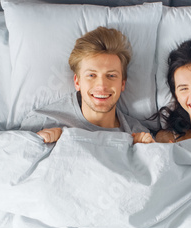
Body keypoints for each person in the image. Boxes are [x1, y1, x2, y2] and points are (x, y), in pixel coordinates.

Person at [19, 26, 150, 143]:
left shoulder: (138, 134)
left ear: (122, 84)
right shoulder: (44, 122)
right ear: (77, 81)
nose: (102, 85)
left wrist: (146, 152)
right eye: (91, 75)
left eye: (111, 76)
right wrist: (36, 142)